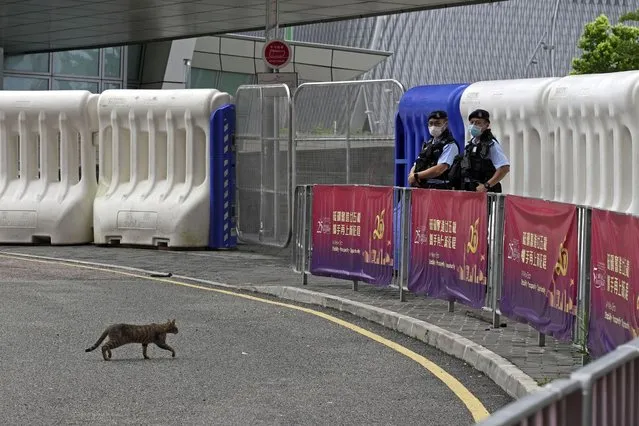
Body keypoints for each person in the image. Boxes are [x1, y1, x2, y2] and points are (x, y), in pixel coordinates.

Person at [450, 109, 510, 193]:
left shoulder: (491, 144)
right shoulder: (471, 144)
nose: (474, 125)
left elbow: (504, 168)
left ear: (486, 125)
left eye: (478, 123)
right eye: (472, 122)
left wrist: (486, 185)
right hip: (469, 191)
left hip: (484, 193)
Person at [407, 110, 460, 190]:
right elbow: (417, 163)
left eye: (437, 123)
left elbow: (439, 169)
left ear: (445, 124)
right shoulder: (428, 144)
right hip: (424, 187)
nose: (433, 126)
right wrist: (412, 175)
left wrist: (416, 176)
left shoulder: (450, 145)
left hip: (441, 189)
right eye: (431, 123)